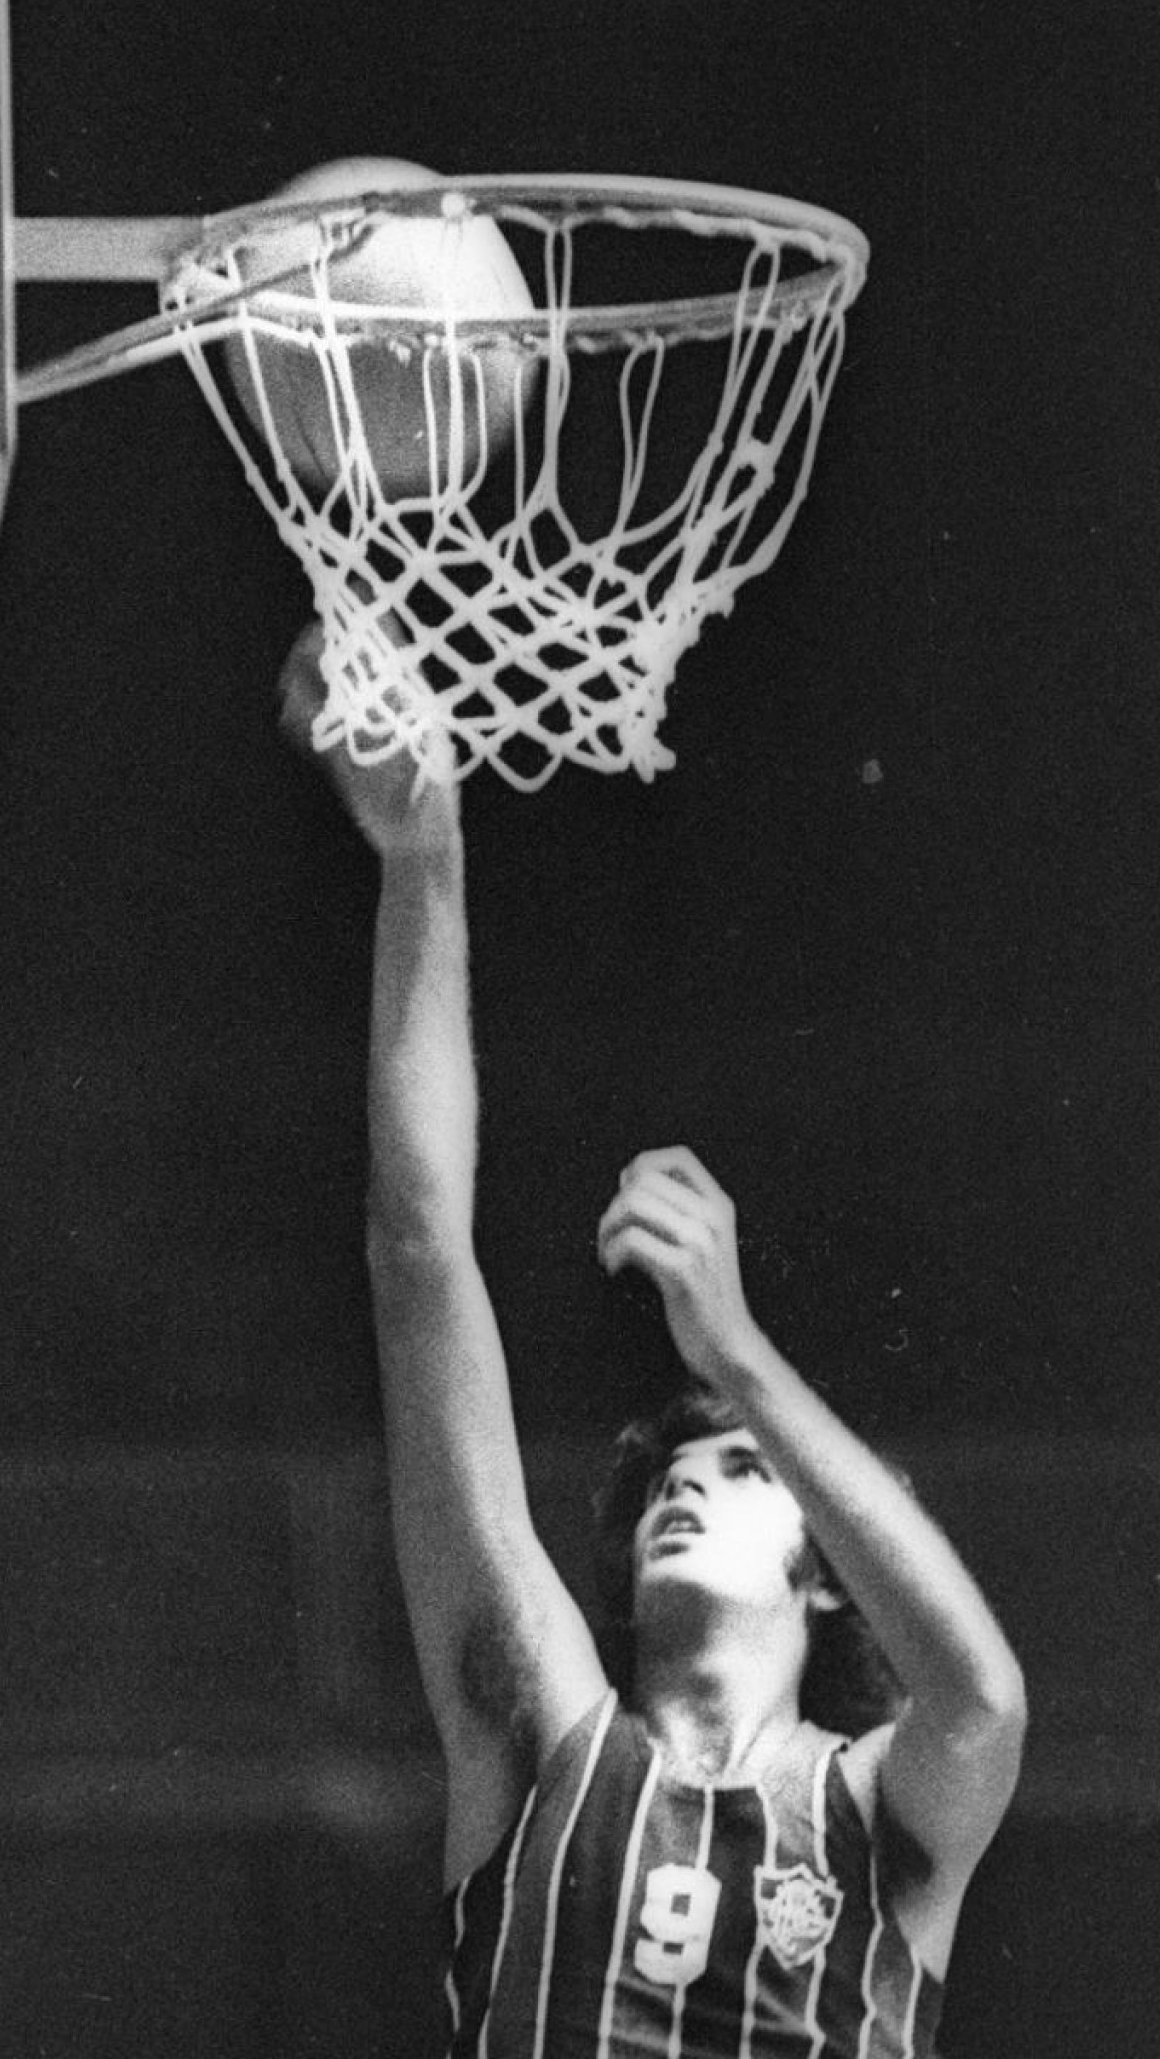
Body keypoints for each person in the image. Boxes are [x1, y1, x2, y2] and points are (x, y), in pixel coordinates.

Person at [280, 630, 1026, 2058]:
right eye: (677, 1477)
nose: (686, 1488)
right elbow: (417, 1258)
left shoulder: (882, 1813)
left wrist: (737, 1353)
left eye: (743, 1474)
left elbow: (982, 1696)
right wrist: (422, 858)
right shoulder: (541, 1743)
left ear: (826, 1576)